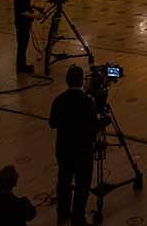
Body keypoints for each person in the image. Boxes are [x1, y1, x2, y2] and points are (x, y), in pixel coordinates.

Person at [49, 65, 99, 226]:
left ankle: (62, 214)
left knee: (63, 182)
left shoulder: (59, 99)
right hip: (83, 151)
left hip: (63, 150)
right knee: (82, 186)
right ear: (82, 81)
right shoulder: (87, 102)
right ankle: (78, 219)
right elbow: (94, 126)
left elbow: (52, 123)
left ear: (67, 81)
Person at [13, 0, 43, 74]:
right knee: (22, 45)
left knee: (23, 44)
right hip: (21, 24)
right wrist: (36, 16)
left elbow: (28, 5)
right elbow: (22, 11)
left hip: (25, 23)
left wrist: (37, 8)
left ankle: (22, 65)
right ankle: (21, 67)